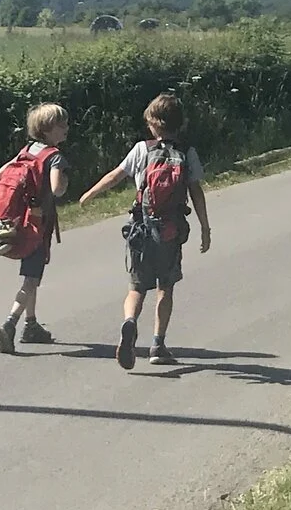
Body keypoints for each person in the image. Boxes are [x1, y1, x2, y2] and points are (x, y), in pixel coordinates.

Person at [79, 91, 211, 369]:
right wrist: (205, 228)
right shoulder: (187, 153)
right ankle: (157, 344)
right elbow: (196, 192)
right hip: (171, 232)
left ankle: (129, 322)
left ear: (153, 123)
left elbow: (117, 174)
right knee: (166, 288)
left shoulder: (142, 149)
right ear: (181, 124)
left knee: (137, 288)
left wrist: (90, 193)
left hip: (141, 230)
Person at [0, 103, 70, 355]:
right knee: (31, 278)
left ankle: (32, 325)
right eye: (62, 125)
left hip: (19, 222)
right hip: (38, 225)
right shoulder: (55, 155)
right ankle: (10, 323)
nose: (66, 129)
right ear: (48, 129)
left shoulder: (26, 151)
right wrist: (64, 181)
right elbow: (57, 188)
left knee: (32, 275)